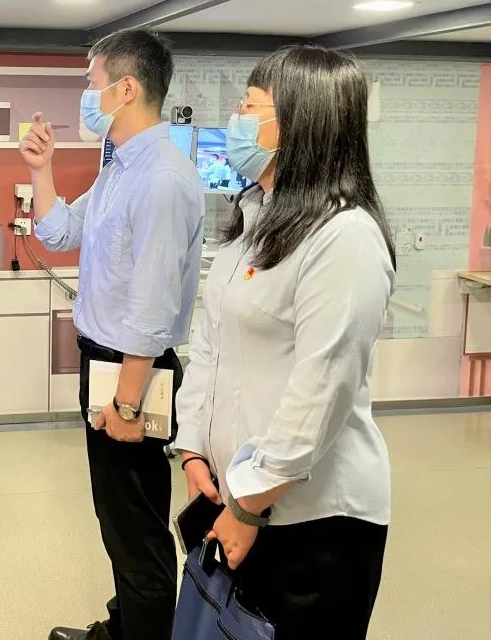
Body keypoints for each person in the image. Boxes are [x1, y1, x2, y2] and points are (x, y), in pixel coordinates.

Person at [174, 45, 395, 640]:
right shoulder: (255, 218)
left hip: (311, 521)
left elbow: (320, 394)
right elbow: (211, 344)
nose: (235, 121)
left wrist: (249, 505)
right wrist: (193, 448)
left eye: (250, 108)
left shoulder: (344, 236)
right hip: (235, 498)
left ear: (301, 122)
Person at [21, 29, 204, 640]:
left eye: (92, 83)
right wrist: (41, 171)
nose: (86, 94)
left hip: (134, 373)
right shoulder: (119, 169)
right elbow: (59, 232)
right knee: (117, 518)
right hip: (107, 366)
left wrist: (127, 404)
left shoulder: (162, 178)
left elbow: (152, 308)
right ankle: (127, 626)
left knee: (139, 527)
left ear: (126, 89)